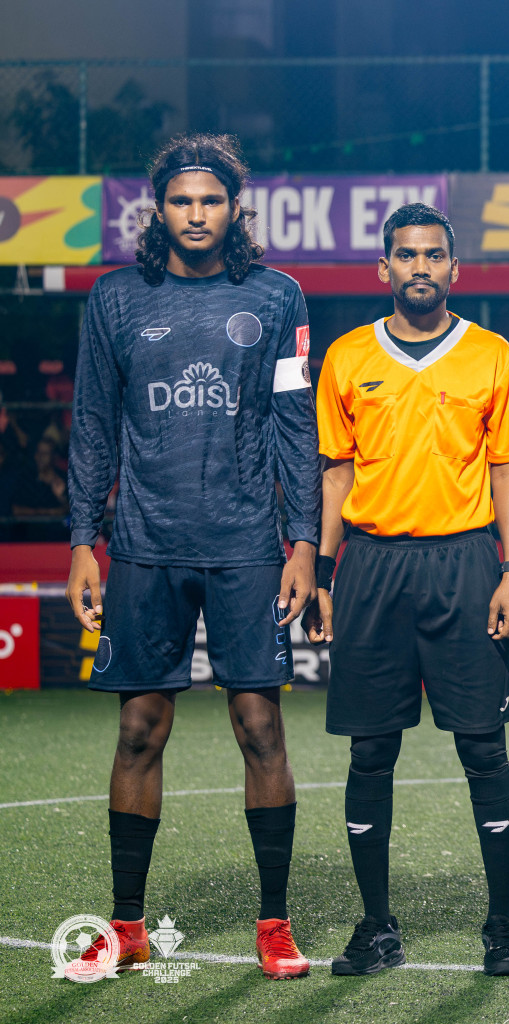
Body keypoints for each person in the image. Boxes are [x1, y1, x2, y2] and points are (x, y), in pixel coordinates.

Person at [63, 132, 318, 981]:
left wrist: (305, 543)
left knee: (259, 726)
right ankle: (127, 924)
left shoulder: (278, 298)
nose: (197, 214)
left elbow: (294, 428)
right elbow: (93, 427)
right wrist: (80, 545)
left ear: (235, 209)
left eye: (211, 200)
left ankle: (274, 924)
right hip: (143, 545)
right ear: (159, 209)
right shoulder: (116, 299)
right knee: (139, 729)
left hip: (247, 546)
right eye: (181, 200)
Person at [304, 204, 509, 977]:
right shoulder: (345, 357)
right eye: (406, 255)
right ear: (385, 269)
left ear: (454, 269)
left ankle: (501, 926)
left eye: (434, 255)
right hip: (370, 566)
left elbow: (508, 469)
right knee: (371, 752)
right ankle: (376, 927)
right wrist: (325, 574)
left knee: (483, 748)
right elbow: (336, 471)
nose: (421, 268)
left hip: (466, 564)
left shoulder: (493, 355)